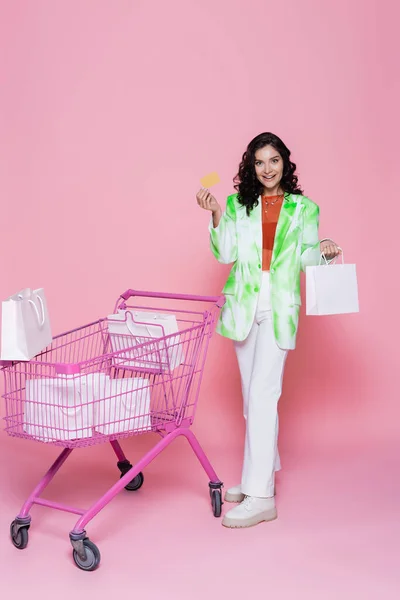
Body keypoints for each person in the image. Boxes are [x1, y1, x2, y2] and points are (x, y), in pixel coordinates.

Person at [196, 132, 340, 529]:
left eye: (274, 160)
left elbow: (308, 257)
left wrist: (324, 251)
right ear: (251, 166)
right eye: (260, 162)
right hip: (243, 304)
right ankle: (253, 475)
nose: (267, 168)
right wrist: (214, 216)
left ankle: (262, 496)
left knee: (263, 395)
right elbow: (225, 253)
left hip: (278, 308)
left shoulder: (304, 208)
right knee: (250, 399)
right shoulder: (237, 204)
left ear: (285, 162)